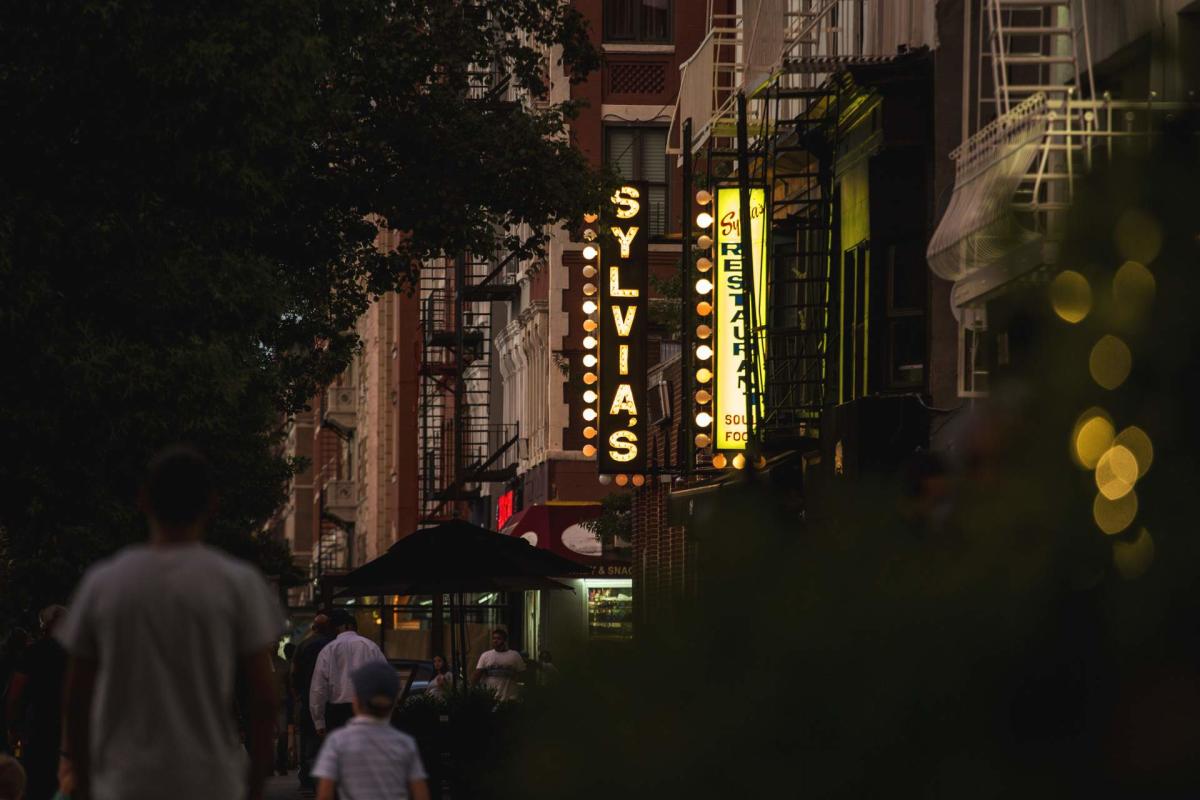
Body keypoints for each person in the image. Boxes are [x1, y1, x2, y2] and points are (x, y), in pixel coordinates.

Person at [55, 446, 284, 800]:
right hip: (211, 782)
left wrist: (82, 779)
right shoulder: (238, 583)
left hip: (123, 782)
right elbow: (264, 698)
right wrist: (254, 787)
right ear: (213, 504)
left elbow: (76, 696)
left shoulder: (104, 583)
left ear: (142, 500)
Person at [312, 661, 429, 800]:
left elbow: (325, 795)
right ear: (393, 703)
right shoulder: (405, 743)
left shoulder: (337, 741)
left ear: (355, 701)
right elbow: (421, 794)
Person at [5, 605, 67, 800]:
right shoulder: (79, 656)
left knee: (35, 786)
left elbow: (15, 694)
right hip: (68, 734)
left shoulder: (32, 654)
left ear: (44, 626)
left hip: (37, 730)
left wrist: (12, 727)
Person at [309, 609, 386, 737]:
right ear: (352, 626)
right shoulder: (370, 646)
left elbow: (318, 688)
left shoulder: (328, 650)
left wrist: (319, 721)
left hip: (337, 713)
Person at [292, 614, 333, 790]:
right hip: (331, 699)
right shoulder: (331, 645)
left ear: (314, 628)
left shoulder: (303, 645)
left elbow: (294, 673)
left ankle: (307, 777)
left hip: (307, 697)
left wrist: (298, 695)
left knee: (308, 739)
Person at [472, 629, 525, 702]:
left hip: (510, 696)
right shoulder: (485, 655)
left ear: (505, 640)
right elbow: (477, 674)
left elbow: (522, 674)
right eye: (493, 638)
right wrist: (472, 688)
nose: (495, 641)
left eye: (498, 638)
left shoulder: (515, 655)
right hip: (491, 696)